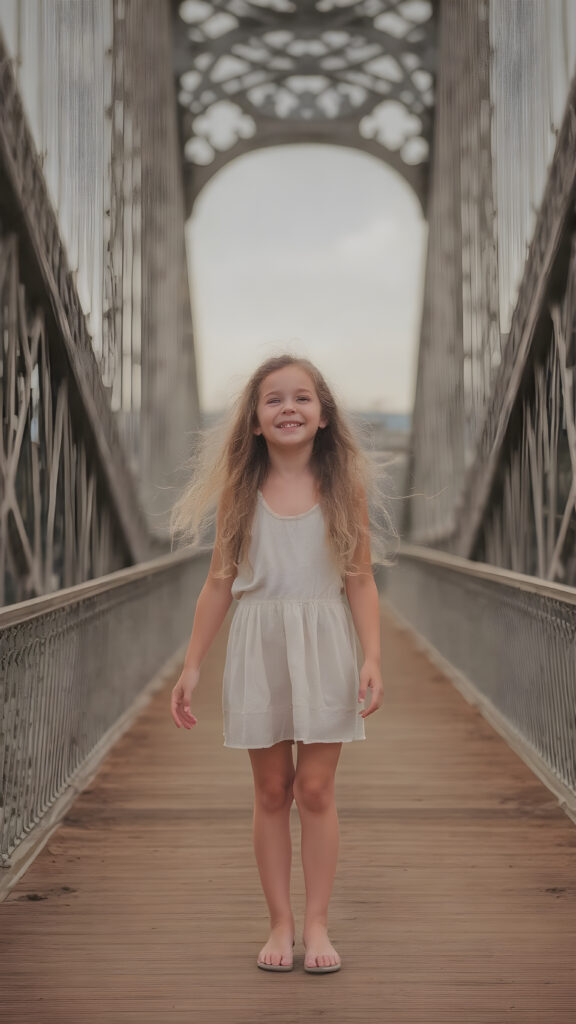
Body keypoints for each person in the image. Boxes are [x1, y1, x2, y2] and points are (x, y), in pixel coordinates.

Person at [169, 354, 395, 974]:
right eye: (273, 399)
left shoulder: (343, 488)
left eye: (301, 398)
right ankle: (281, 923)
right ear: (254, 421)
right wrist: (191, 667)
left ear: (323, 416)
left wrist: (373, 655)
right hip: (258, 643)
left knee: (315, 789)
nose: (288, 407)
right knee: (271, 790)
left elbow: (360, 579)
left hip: (325, 643)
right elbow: (219, 583)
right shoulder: (241, 492)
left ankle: (318, 924)